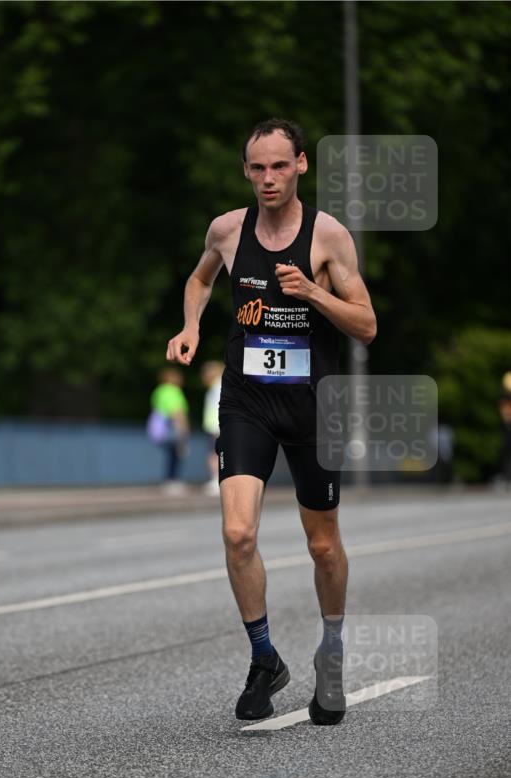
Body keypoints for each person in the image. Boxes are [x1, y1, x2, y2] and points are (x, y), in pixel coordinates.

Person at [166, 118, 376, 723]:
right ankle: (265, 658)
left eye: (279, 166)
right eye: (257, 168)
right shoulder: (228, 231)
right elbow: (201, 278)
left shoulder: (328, 236)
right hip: (247, 401)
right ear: (245, 171)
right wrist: (191, 325)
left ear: (302, 165)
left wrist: (312, 293)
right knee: (237, 534)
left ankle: (330, 651)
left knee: (323, 544)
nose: (268, 178)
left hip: (313, 406)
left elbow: (366, 325)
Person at [148, 368, 190, 495]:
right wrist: (184, 431)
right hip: (172, 429)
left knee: (170, 455)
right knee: (176, 455)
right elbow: (177, 412)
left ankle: (168, 480)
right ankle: (173, 481)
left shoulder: (158, 391)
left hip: (160, 429)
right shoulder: (173, 391)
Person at [201, 360, 225, 496]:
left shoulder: (217, 387)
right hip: (216, 426)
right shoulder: (217, 387)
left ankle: (216, 479)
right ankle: (217, 479)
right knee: (217, 454)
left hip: (216, 426)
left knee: (214, 454)